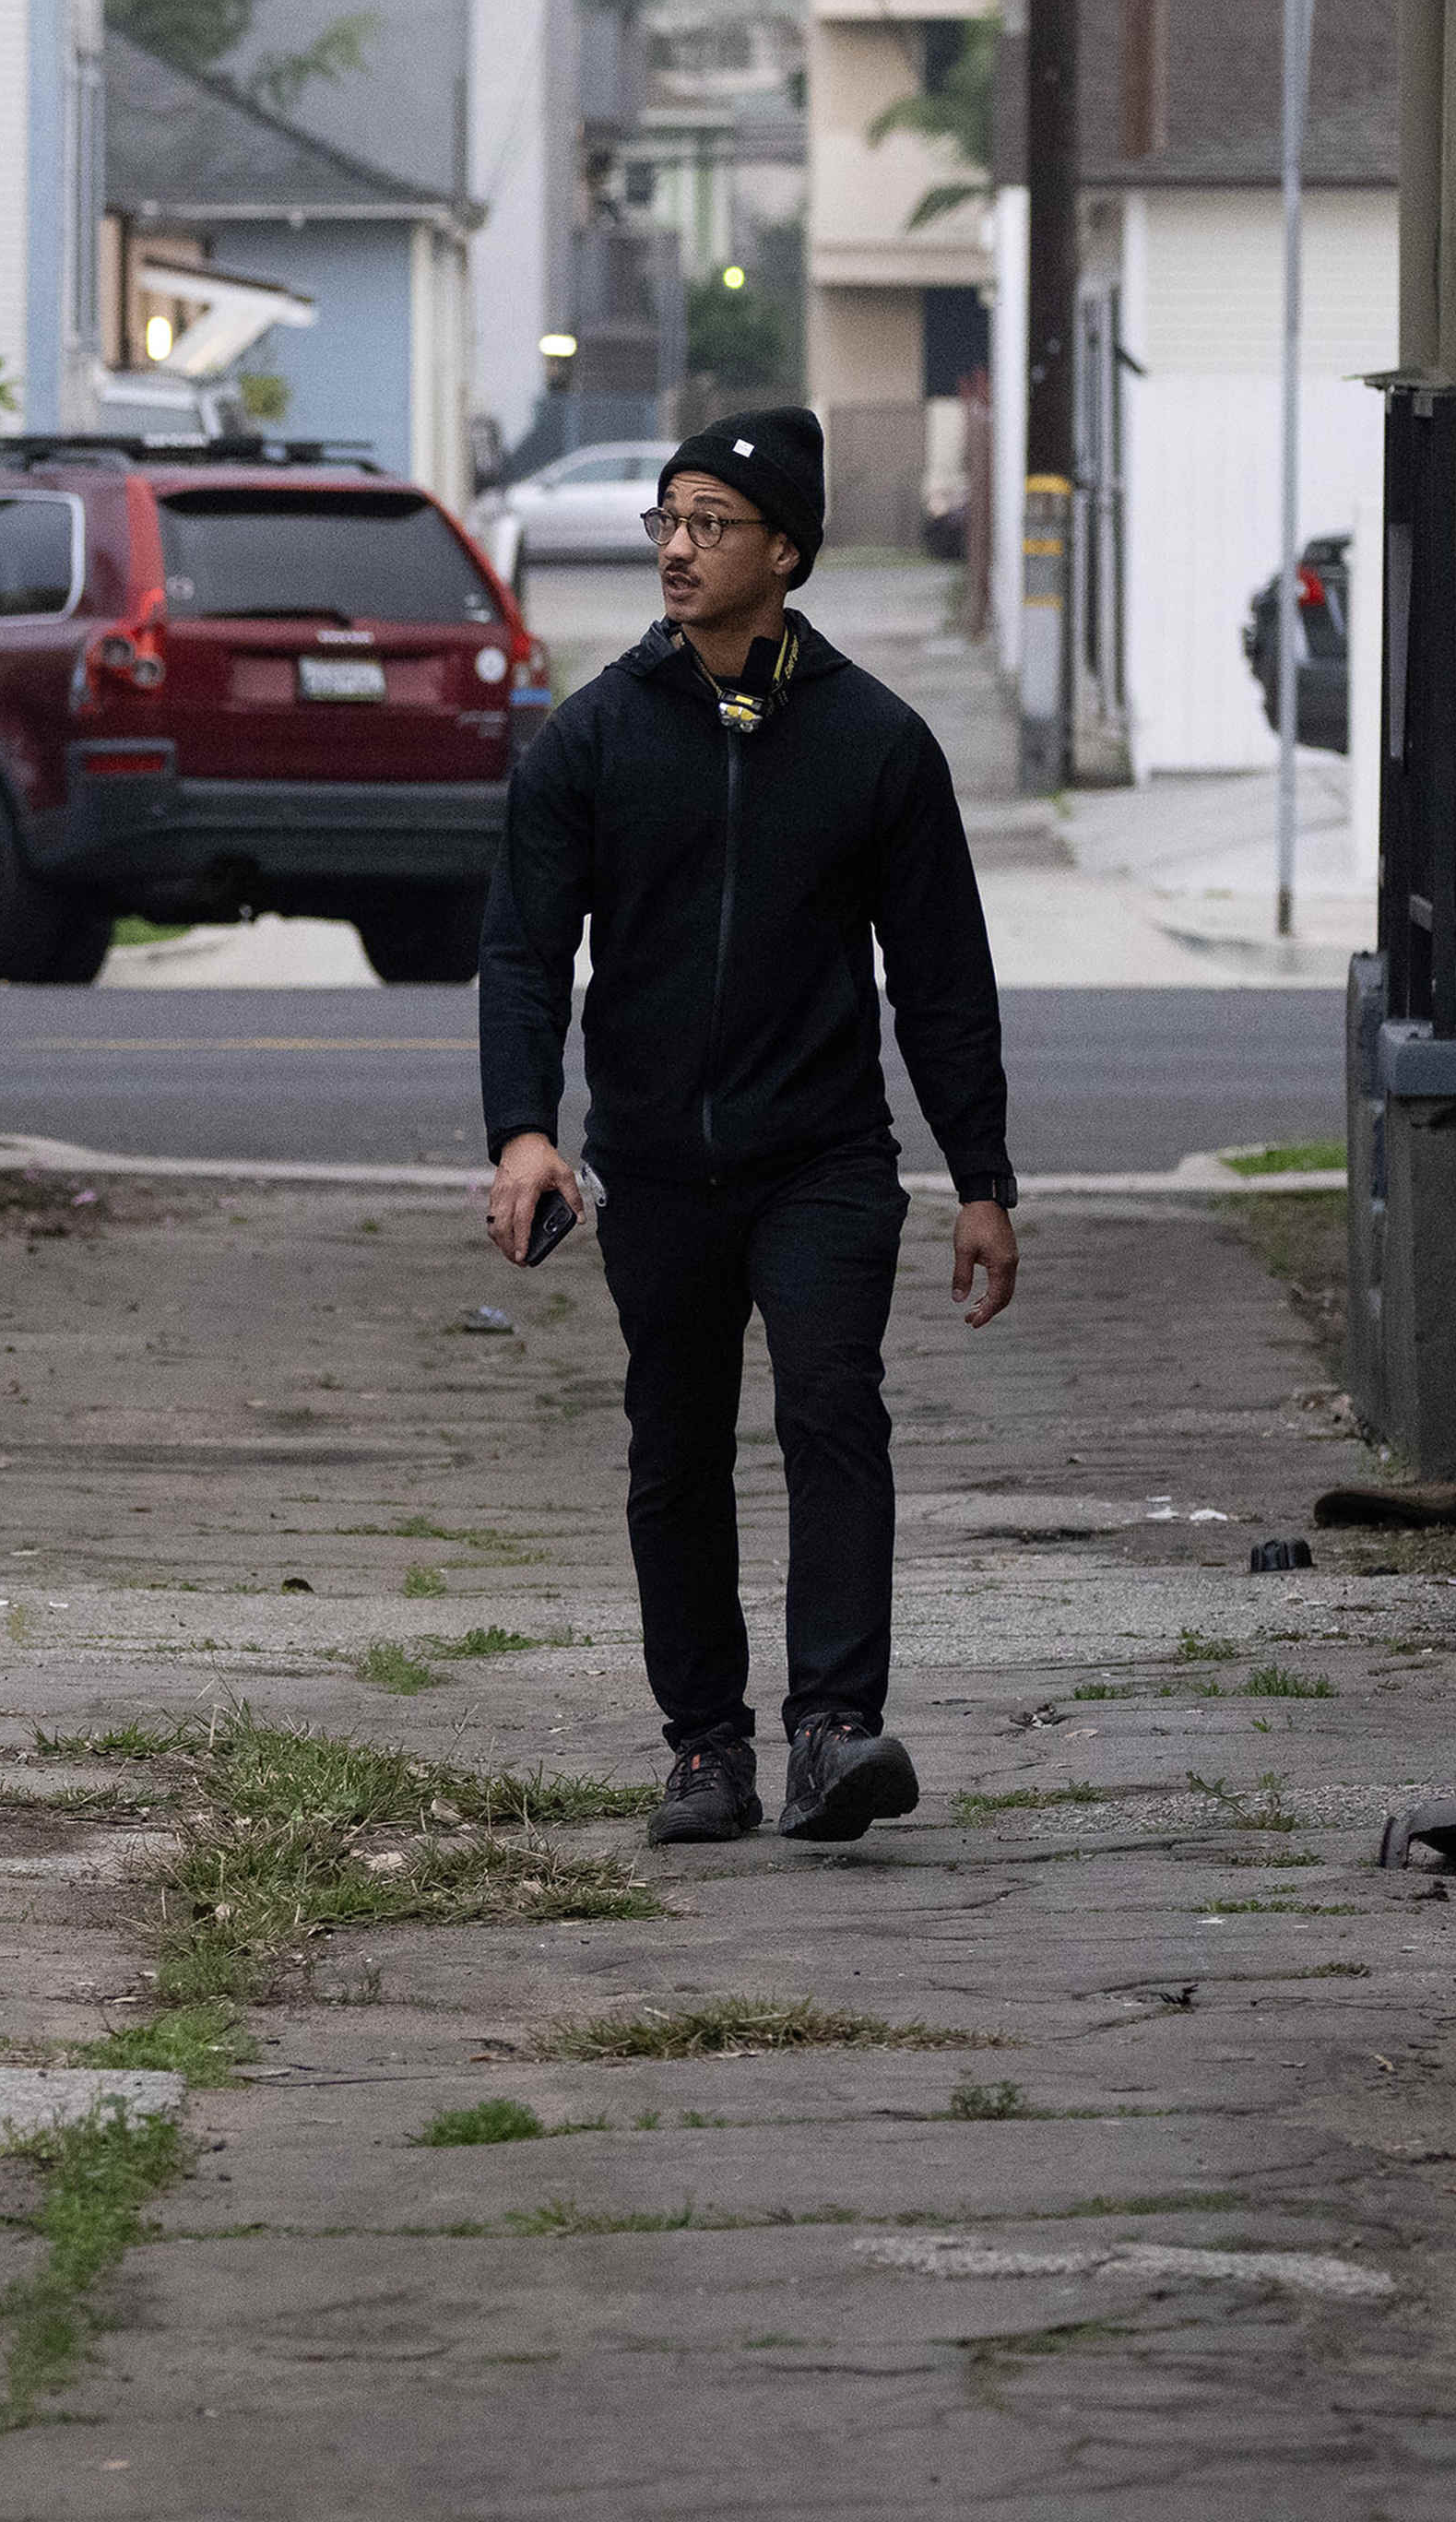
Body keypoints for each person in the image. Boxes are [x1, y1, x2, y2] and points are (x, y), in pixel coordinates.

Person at [476, 405, 1019, 1847]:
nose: (677, 547)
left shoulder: (875, 745)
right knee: (676, 1443)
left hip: (825, 1158)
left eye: (712, 524)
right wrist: (525, 1131)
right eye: (667, 518)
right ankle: (705, 1750)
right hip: (655, 1163)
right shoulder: (592, 740)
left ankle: (835, 1731)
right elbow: (526, 951)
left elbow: (943, 977)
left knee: (834, 1408)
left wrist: (984, 1178)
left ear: (787, 551)